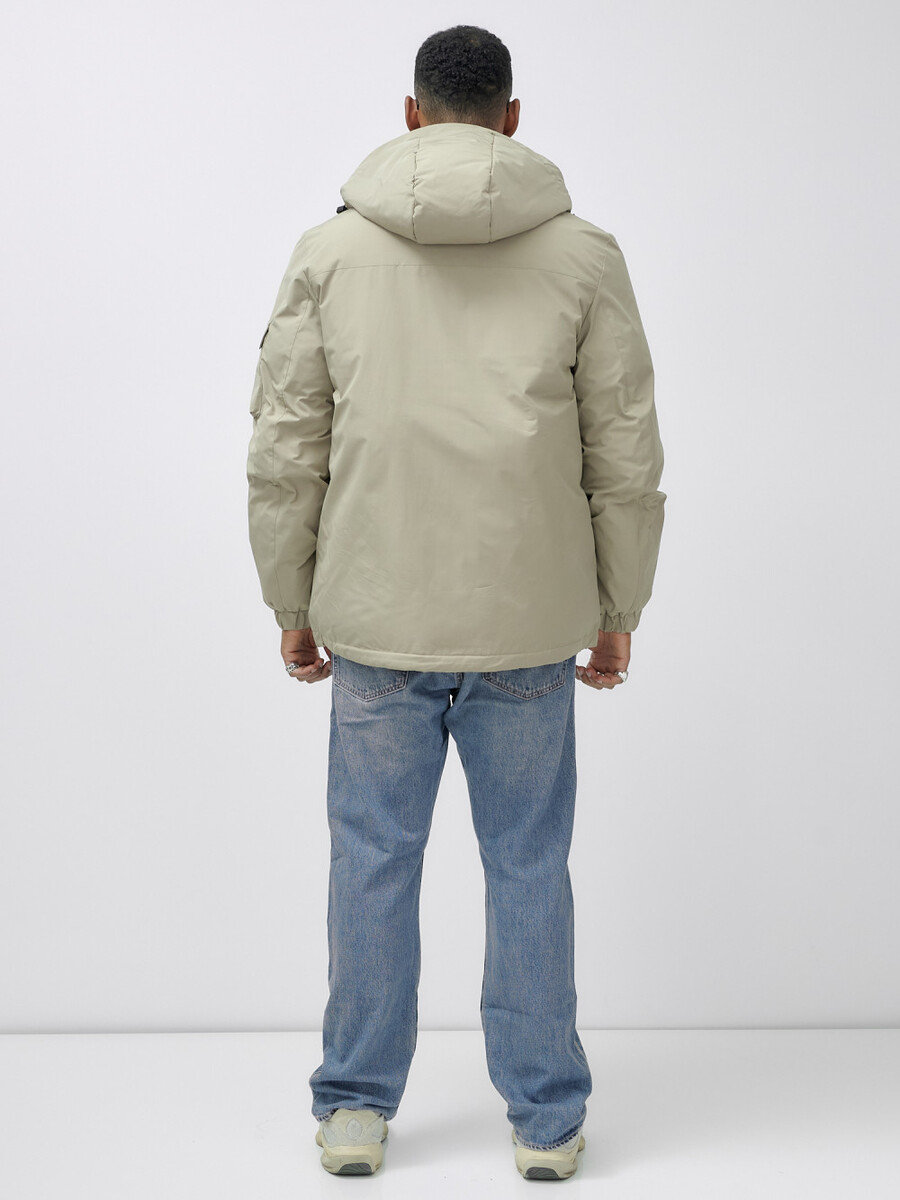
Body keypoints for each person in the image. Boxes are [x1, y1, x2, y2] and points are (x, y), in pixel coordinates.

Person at [246, 24, 666, 1181]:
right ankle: (546, 1121)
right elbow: (624, 449)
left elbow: (286, 446)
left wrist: (290, 597)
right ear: (512, 119)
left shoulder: (331, 252)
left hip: (374, 613)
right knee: (528, 865)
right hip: (529, 620)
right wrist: (618, 605)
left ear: (412, 114)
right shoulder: (585, 255)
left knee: (371, 862)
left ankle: (353, 1110)